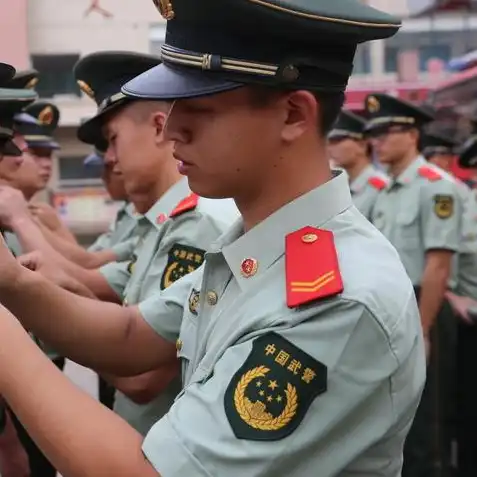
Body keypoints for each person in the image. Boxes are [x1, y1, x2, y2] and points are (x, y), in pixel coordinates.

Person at [0, 2, 424, 476]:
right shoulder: (261, 244)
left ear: (292, 115)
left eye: (200, 107)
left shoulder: (339, 299)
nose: (174, 128)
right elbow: (130, 334)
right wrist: (13, 282)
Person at [366, 93, 461, 477]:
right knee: (397, 412)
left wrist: (422, 329)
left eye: (387, 132)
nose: (378, 141)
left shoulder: (435, 187)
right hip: (394, 309)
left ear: (412, 135)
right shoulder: (387, 190)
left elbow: (438, 265)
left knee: (427, 414)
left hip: (426, 308)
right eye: (374, 133)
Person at [327, 109, 389, 220]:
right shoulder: (340, 188)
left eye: (336, 141)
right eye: (328, 143)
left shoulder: (380, 188)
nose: (329, 149)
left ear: (362, 145)